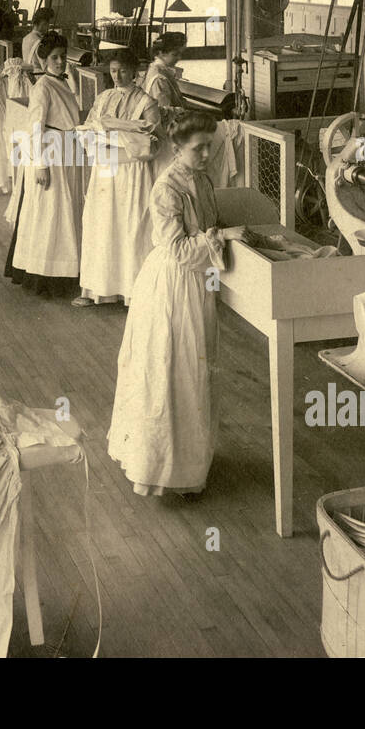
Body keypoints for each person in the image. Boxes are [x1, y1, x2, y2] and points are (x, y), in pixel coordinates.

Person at [107, 110, 257, 497]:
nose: (207, 155)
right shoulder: (166, 188)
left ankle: (190, 465)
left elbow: (209, 225)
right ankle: (159, 468)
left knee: (194, 373)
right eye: (199, 148)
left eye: (210, 146)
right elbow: (178, 250)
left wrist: (227, 233)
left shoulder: (202, 179)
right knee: (172, 371)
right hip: (172, 287)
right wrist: (221, 235)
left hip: (196, 285)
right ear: (176, 148)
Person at [74, 49, 161, 307]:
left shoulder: (146, 102)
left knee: (132, 227)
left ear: (135, 72)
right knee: (102, 226)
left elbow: (154, 142)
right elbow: (86, 131)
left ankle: (133, 291)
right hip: (105, 169)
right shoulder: (103, 99)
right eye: (113, 70)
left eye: (123, 70)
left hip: (132, 172)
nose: (117, 76)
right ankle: (97, 289)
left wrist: (118, 137)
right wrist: (104, 137)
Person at [4, 32, 85, 297]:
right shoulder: (42, 87)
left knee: (64, 210)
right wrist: (39, 164)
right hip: (49, 153)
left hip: (65, 151)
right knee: (50, 212)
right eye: (55, 58)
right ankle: (45, 274)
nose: (61, 62)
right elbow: (34, 128)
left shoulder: (62, 82)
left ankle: (65, 269)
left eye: (63, 57)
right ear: (43, 59)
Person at [142, 31, 189, 114]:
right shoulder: (159, 77)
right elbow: (163, 110)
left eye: (180, 54)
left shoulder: (155, 67)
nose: (179, 58)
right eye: (175, 54)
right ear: (161, 53)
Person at [21, 8, 54, 74]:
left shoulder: (25, 38)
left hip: (27, 76)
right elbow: (46, 68)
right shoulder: (39, 42)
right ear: (43, 23)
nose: (48, 27)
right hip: (38, 78)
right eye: (47, 24)